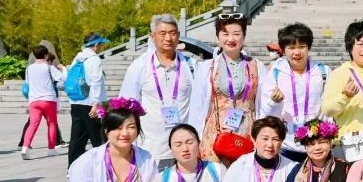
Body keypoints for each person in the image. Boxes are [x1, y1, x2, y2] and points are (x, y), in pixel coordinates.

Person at [188, 14, 268, 167]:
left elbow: (264, 103)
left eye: (236, 34)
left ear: (243, 36)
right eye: (225, 34)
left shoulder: (257, 66)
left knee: (245, 173)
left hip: (247, 131)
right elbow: (197, 106)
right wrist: (194, 138)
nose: (231, 39)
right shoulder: (207, 67)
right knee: (215, 174)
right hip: (215, 132)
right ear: (218, 37)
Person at [119, 14, 197, 166]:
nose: (168, 38)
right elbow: (126, 105)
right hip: (150, 149)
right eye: (162, 33)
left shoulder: (191, 66)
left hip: (184, 148)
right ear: (152, 36)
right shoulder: (139, 66)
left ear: (178, 36)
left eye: (172, 33)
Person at [260, 22, 331, 162]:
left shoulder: (323, 71)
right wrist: (274, 102)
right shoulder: (275, 73)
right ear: (283, 50)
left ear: (309, 47)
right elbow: (265, 113)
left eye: (301, 46)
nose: (297, 52)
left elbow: (329, 110)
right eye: (291, 48)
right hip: (286, 145)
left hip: (316, 145)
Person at [322, 20, 363, 162]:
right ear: (350, 47)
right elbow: (328, 110)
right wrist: (345, 96)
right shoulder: (339, 74)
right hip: (349, 148)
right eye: (360, 43)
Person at [216, 116, 297, 182]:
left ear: (281, 142)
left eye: (275, 139)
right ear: (254, 140)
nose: (270, 145)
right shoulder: (241, 165)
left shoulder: (291, 168)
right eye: (265, 139)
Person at [153, 124, 226, 182]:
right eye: (178, 145)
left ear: (199, 144)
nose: (185, 149)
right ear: (171, 149)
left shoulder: (218, 171)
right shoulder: (162, 178)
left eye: (190, 142)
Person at [280, 118, 348, 182]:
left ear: (330, 143)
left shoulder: (344, 168)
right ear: (305, 147)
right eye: (311, 144)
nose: (317, 148)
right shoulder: (296, 171)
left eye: (322, 142)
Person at [67, 32, 109, 166]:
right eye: (101, 44)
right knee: (98, 137)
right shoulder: (94, 59)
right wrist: (96, 103)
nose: (101, 47)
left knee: (77, 138)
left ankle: (72, 168)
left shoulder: (77, 58)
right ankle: (104, 166)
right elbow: (96, 82)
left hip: (76, 102)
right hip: (91, 104)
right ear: (96, 45)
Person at [22, 44, 66, 159]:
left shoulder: (29, 68)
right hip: (48, 99)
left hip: (33, 100)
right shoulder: (49, 67)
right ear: (46, 55)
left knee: (33, 124)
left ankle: (25, 148)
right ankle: (51, 149)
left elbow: (27, 83)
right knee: (51, 124)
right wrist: (64, 69)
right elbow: (62, 78)